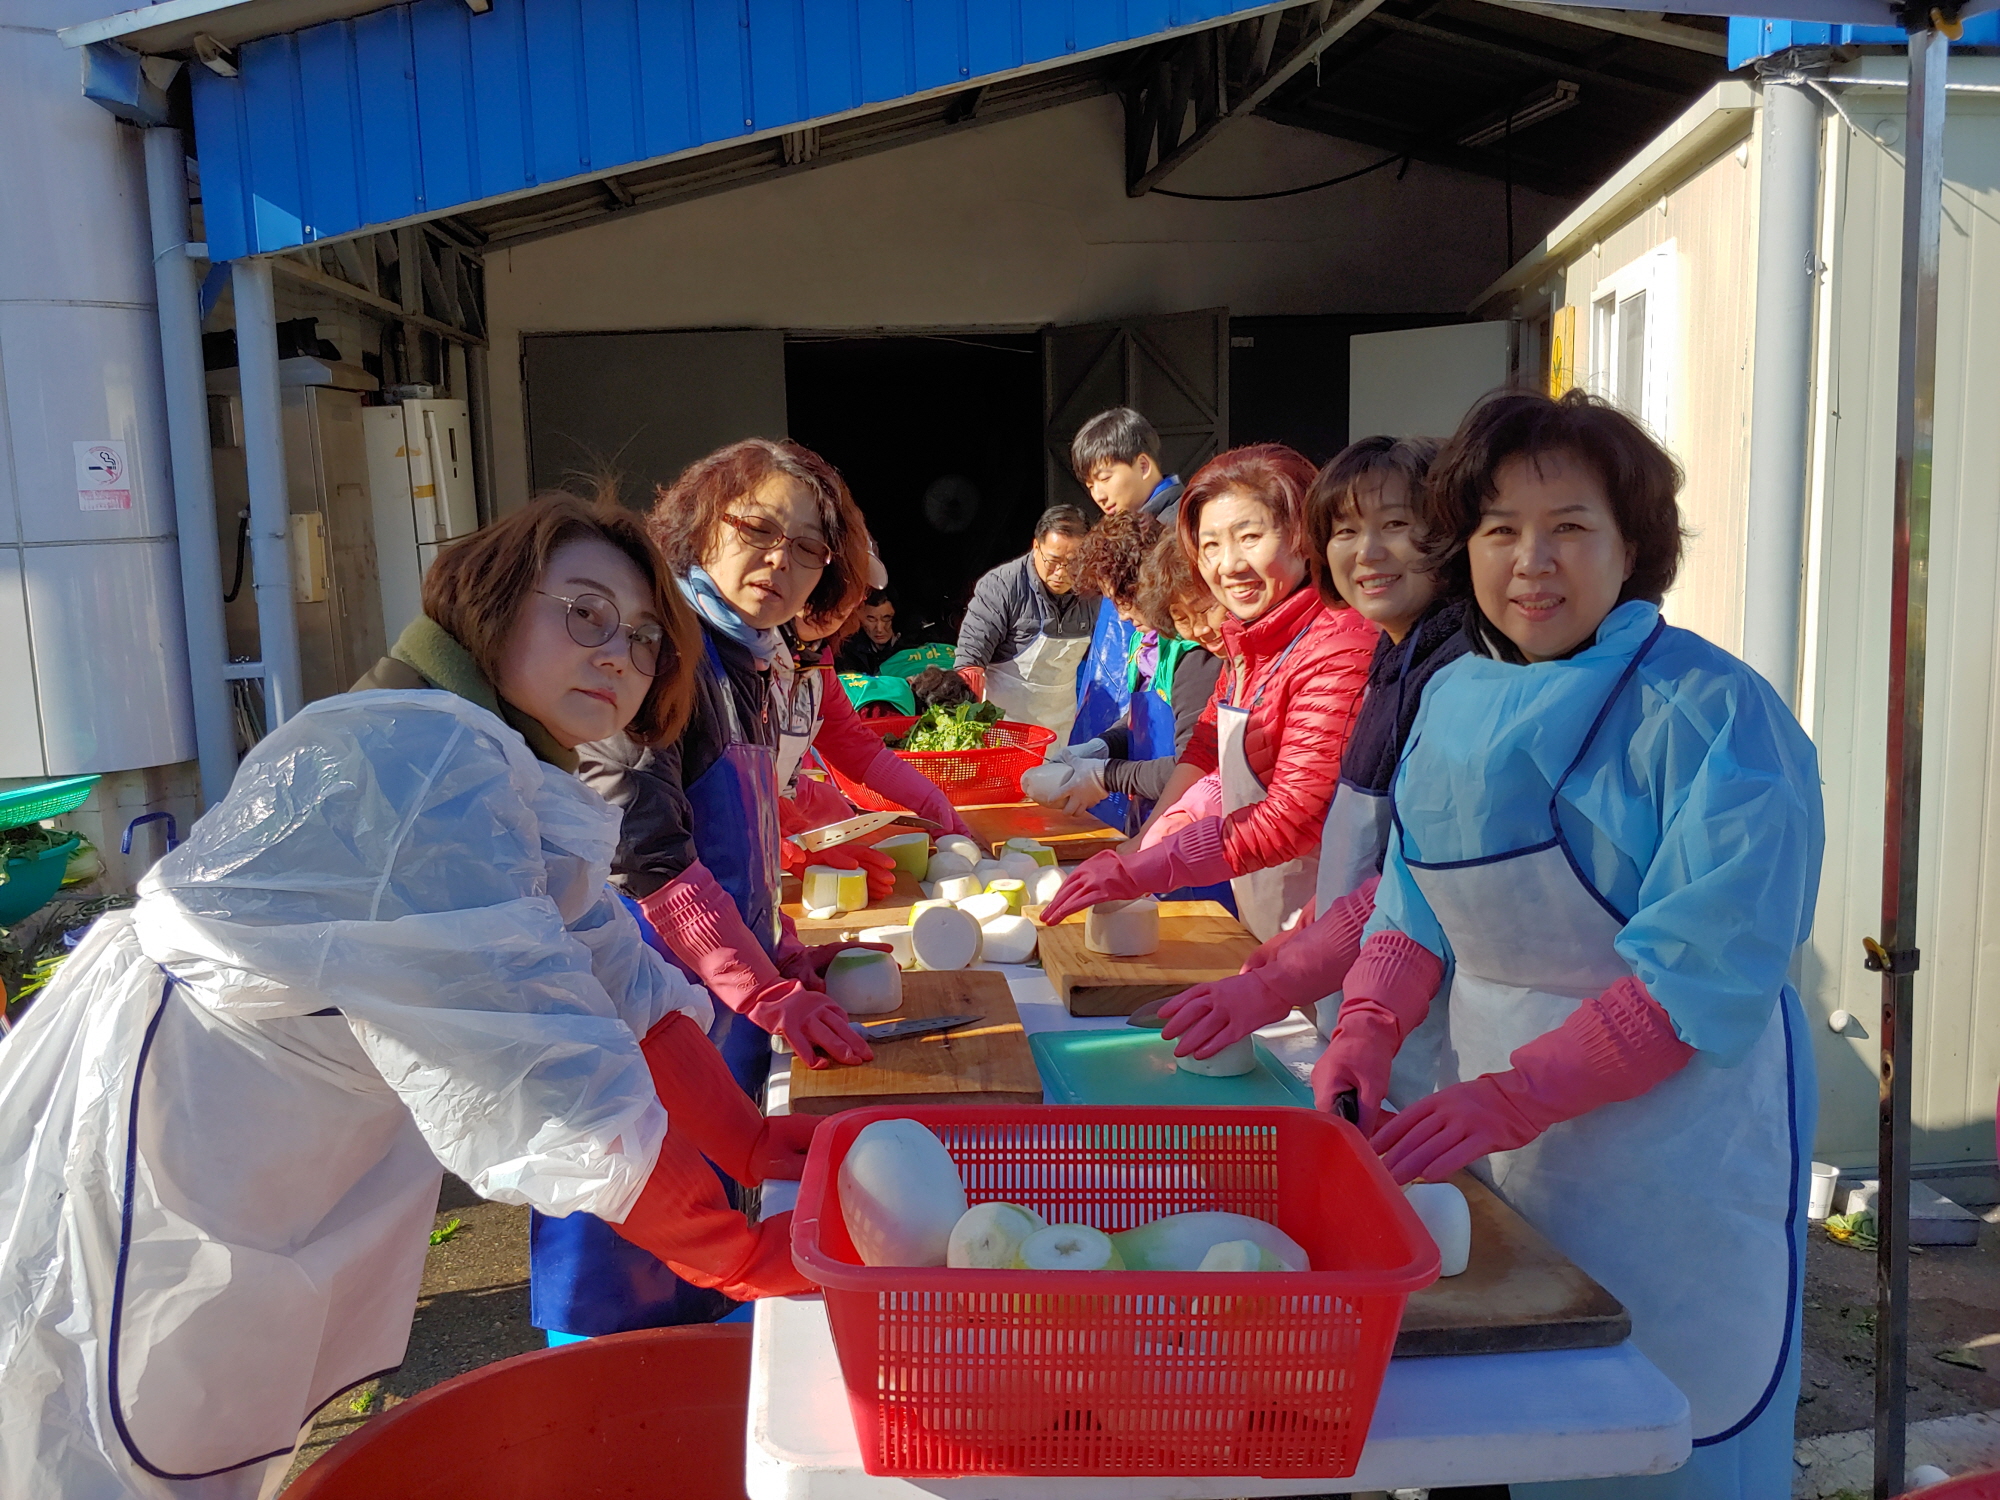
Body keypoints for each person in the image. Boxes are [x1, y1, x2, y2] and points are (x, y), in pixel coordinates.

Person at [0, 495, 821, 1499]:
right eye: (586, 613)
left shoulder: (499, 758)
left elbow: (617, 979)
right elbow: (542, 1066)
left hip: (265, 1135)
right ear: (493, 603)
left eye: (646, 638)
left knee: (201, 1419)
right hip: (180, 1132)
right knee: (103, 1426)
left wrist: (747, 1142)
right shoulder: (422, 761)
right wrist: (735, 1253)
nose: (619, 655)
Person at [1317, 390, 1820, 1500]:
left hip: (1673, 1146)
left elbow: (1694, 978)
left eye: (1570, 527)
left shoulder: (1715, 714)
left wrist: (1512, 1097)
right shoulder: (1454, 696)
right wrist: (1367, 1025)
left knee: (1654, 1428)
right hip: (1498, 1136)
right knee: (1505, 1417)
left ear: (1632, 546)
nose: (1530, 562)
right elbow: (1414, 901)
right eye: (1500, 529)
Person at [540, 439, 888, 1341]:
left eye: (808, 548)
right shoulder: (658, 660)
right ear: (700, 526)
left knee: (709, 1269)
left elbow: (738, 845)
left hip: (715, 1018)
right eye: (757, 529)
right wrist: (768, 991)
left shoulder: (750, 665)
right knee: (623, 1270)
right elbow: (645, 857)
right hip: (632, 1017)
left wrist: (782, 954)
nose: (780, 562)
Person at [1157, 436, 1464, 1082]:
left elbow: (1412, 875)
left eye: (1395, 526)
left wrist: (1150, 865)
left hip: (1423, 1014)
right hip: (1339, 966)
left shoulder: (1368, 649)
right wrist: (1308, 933)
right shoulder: (1365, 653)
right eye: (1346, 531)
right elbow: (1389, 863)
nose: (1367, 553)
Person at [1039, 445, 1378, 942]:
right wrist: (1142, 844)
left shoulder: (1338, 643)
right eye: (1211, 545)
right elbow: (1204, 747)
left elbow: (1291, 819)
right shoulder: (1246, 643)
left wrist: (1149, 865)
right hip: (1267, 913)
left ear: (1301, 533)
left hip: (1333, 925)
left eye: (1250, 536)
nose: (1229, 564)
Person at [1041, 515, 1223, 833]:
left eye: (1124, 600)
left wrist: (1106, 775)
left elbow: (1192, 767)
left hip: (1191, 828)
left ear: (1151, 583)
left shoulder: (1196, 653)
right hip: (1148, 818)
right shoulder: (1145, 644)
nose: (1122, 616)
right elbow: (1142, 724)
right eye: (1113, 603)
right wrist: (1100, 747)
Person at [774, 598, 973, 838]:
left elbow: (850, 742)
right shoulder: (746, 658)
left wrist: (927, 798)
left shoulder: (818, 666)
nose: (830, 601)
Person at [1069, 407, 1187, 762]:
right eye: (1090, 485)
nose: (1098, 494)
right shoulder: (1135, 524)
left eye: (1105, 478)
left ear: (1143, 465)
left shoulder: (1177, 528)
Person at [954, 503, 1098, 736]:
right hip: (1002, 726)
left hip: (1062, 725)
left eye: (1072, 563)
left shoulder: (1093, 591)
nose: (1061, 572)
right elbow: (970, 661)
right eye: (1053, 561)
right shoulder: (1001, 586)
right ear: (1036, 546)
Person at [835, 587, 901, 676]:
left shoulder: (912, 646)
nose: (879, 629)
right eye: (871, 619)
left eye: (887, 618)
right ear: (860, 618)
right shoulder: (846, 649)